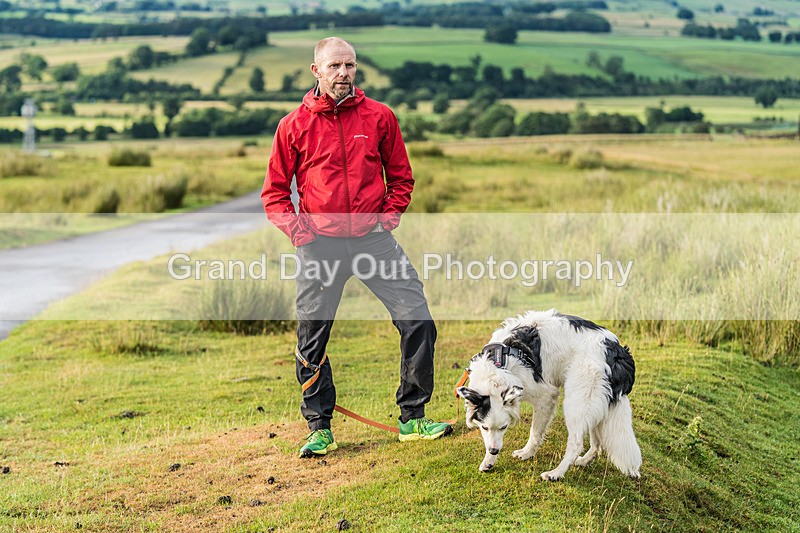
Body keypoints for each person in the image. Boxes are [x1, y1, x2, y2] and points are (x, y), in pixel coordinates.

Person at [261, 37, 452, 458]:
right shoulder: (293, 125)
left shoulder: (380, 117)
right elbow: (274, 193)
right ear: (317, 71)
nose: (343, 73)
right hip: (319, 245)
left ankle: (413, 417)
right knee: (312, 334)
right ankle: (319, 427)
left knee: (417, 318)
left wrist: (387, 218)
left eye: (349, 65)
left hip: (373, 240)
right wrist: (298, 232)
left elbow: (401, 177)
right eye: (334, 66)